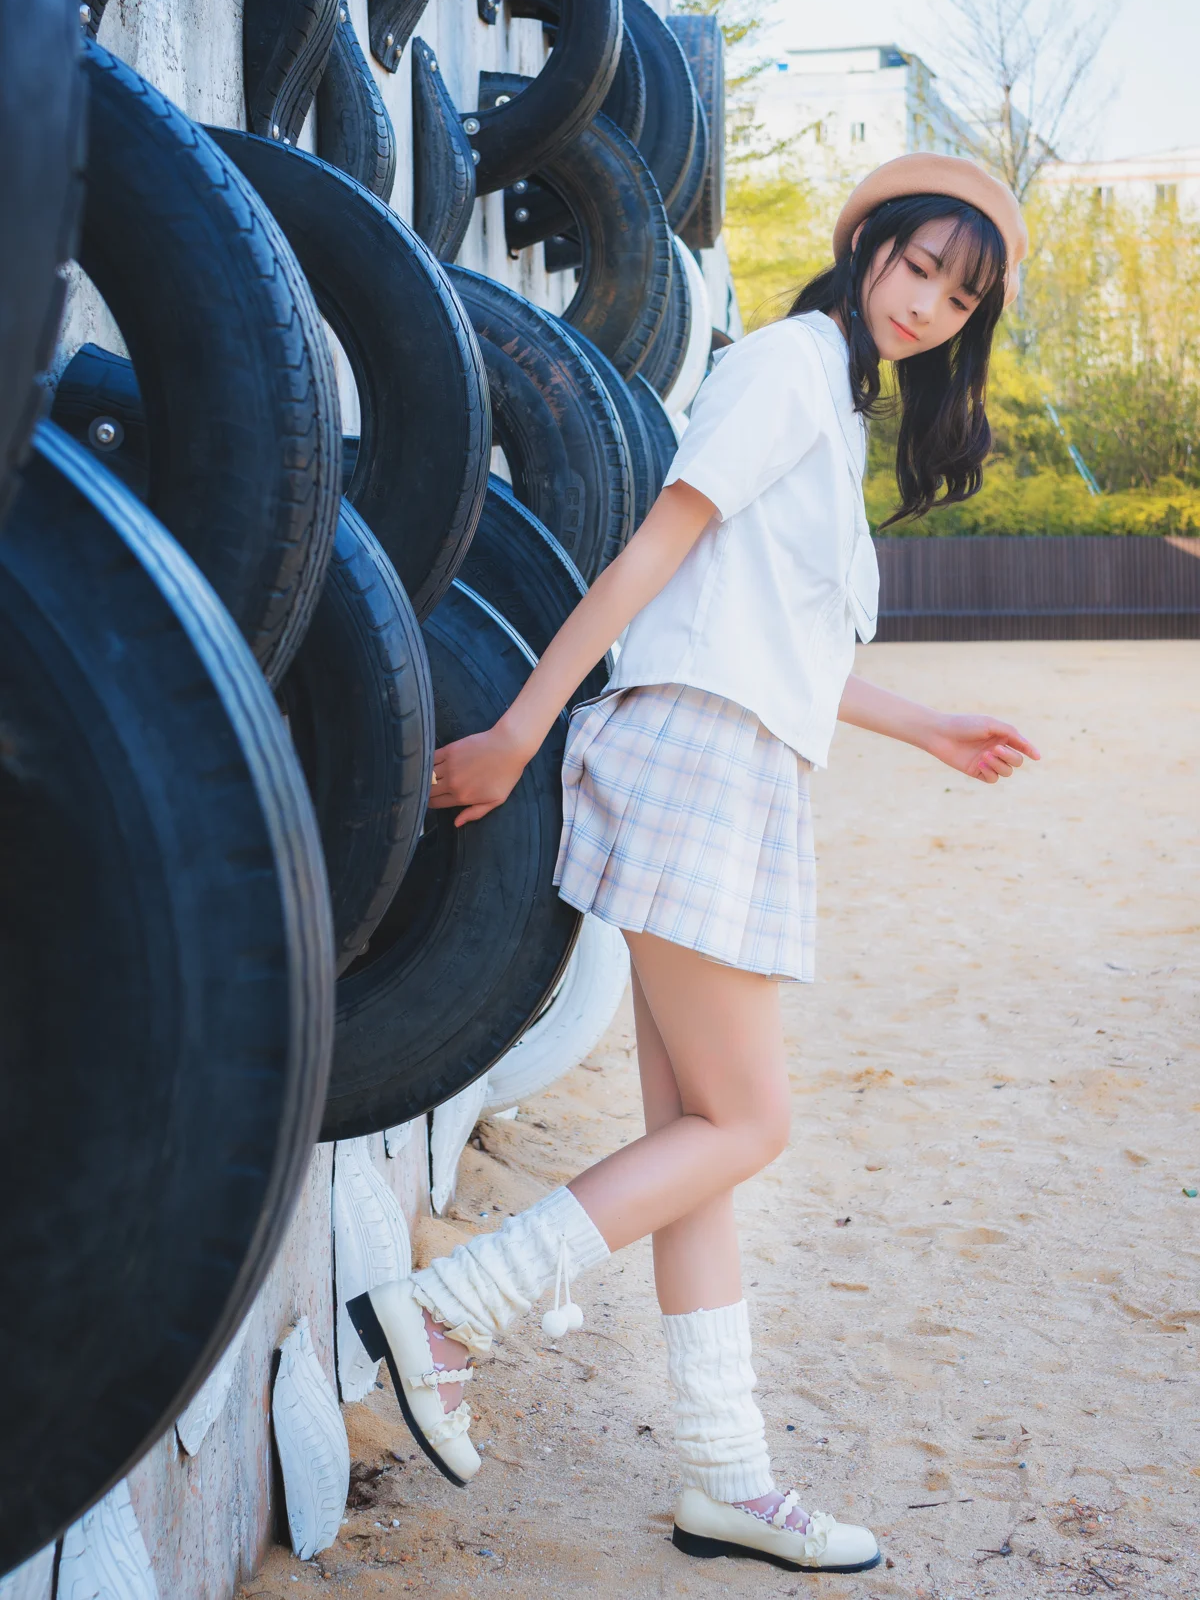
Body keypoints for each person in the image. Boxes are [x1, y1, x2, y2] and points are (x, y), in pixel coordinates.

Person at [347, 153, 1040, 1576]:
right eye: (917, 267)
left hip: (741, 768)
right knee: (752, 1123)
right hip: (698, 768)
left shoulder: (832, 401)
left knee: (697, 1150)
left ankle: (726, 1474)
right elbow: (650, 562)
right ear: (868, 244)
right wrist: (520, 731)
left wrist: (930, 727)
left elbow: (775, 644)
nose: (926, 306)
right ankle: (454, 1307)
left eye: (958, 298)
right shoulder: (787, 366)